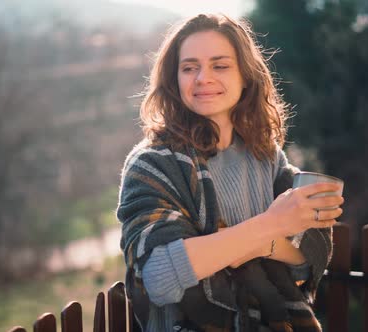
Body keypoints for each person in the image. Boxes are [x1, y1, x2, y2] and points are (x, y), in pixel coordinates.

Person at [117, 13, 344, 332]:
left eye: (220, 65)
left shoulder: (265, 156)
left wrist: (250, 245)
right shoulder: (152, 164)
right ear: (174, 79)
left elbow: (306, 261)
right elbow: (159, 276)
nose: (202, 78)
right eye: (189, 67)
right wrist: (272, 225)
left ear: (246, 77)